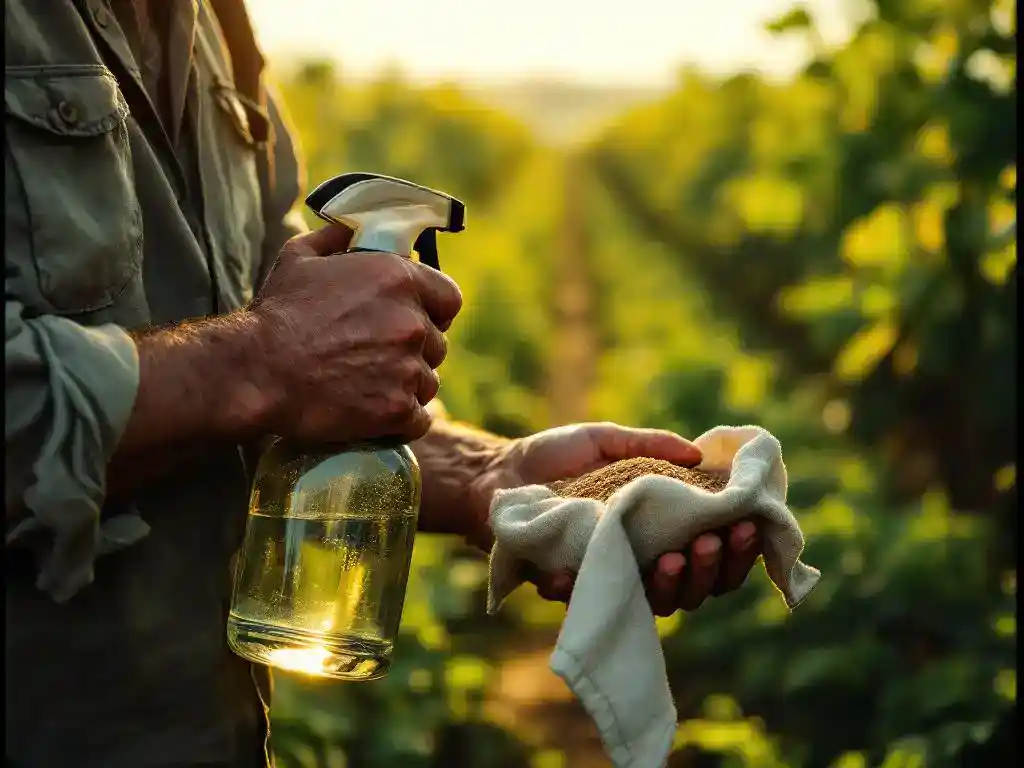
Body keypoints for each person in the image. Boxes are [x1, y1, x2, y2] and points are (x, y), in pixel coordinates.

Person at [4, 1, 763, 766]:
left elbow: (272, 359)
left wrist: (486, 475)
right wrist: (264, 359)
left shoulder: (214, 27)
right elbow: (265, 357)